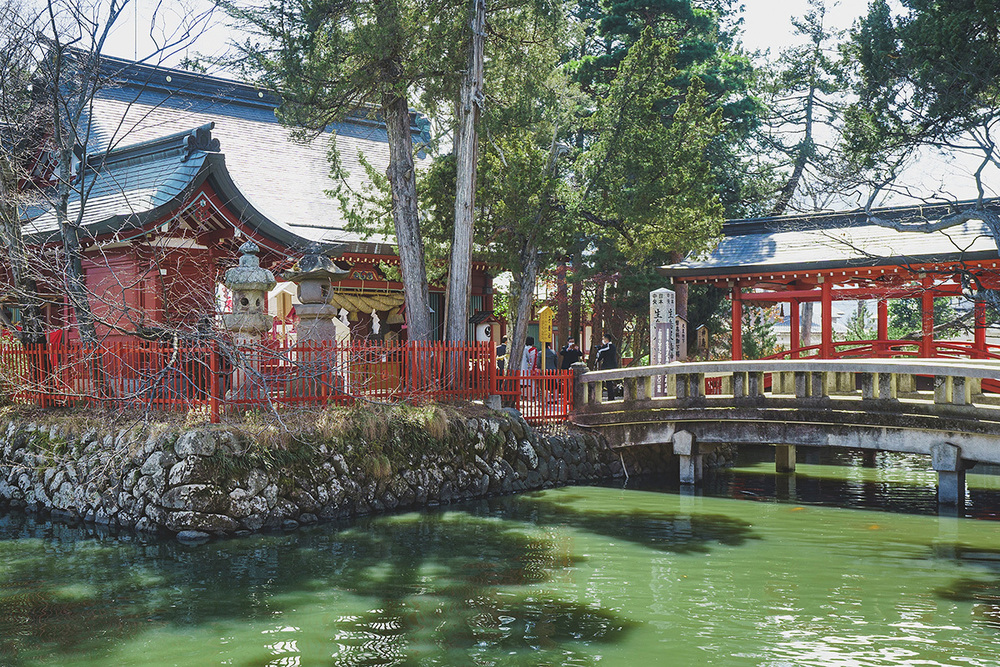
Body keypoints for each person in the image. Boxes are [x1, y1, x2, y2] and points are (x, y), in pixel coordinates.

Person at [596, 334, 619, 399]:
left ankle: (610, 397)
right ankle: (611, 397)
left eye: (603, 339)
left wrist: (599, 352)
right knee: (609, 382)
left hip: (608, 366)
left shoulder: (608, 346)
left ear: (606, 339)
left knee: (609, 382)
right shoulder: (612, 346)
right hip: (612, 366)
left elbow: (602, 354)